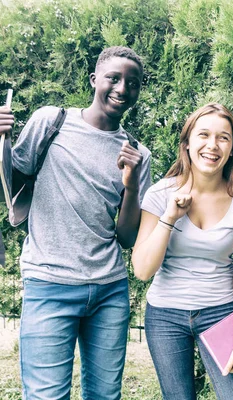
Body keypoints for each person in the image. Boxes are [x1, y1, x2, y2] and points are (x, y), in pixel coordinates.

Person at [0, 46, 151, 399]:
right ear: (94, 79)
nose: (122, 88)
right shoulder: (51, 121)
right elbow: (10, 185)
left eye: (133, 83)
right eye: (114, 78)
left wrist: (130, 186)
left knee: (104, 396)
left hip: (109, 291)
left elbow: (127, 237)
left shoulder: (137, 153)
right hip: (49, 283)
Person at [132, 103, 233, 400]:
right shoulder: (160, 194)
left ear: (232, 149)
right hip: (165, 315)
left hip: (221, 312)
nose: (212, 145)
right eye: (203, 135)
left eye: (223, 138)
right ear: (187, 143)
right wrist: (169, 217)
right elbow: (142, 270)